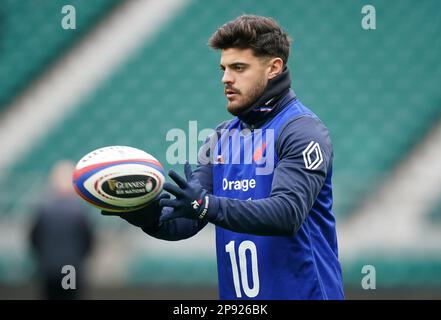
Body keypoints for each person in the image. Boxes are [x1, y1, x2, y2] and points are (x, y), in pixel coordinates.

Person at [103, 15, 344, 300]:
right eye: (224, 68)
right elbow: (184, 220)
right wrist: (140, 211)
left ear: (273, 68)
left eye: (238, 68)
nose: (226, 78)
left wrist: (206, 205)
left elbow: (287, 213)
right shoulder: (220, 138)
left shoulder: (302, 130)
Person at [30, 160, 94, 300]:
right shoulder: (78, 211)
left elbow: (34, 239)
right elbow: (88, 241)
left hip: (47, 268)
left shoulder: (43, 210)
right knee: (68, 296)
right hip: (69, 268)